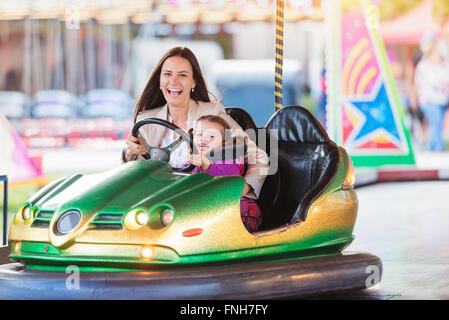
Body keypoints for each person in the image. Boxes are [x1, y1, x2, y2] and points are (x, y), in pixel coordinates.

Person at [122, 46, 269, 201]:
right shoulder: (146, 120)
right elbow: (135, 175)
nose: (173, 81)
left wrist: (244, 188)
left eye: (182, 75)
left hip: (200, 201)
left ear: (193, 82)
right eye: (167, 74)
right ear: (159, 80)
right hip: (157, 201)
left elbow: (258, 156)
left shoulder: (211, 113)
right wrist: (130, 153)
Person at [188, 115, 262, 232]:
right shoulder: (191, 161)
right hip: (207, 207)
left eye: (211, 136)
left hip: (235, 210)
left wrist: (207, 166)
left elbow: (231, 179)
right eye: (199, 134)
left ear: (223, 143)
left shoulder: (226, 159)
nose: (203, 139)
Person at [414, 33, 449, 151]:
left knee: (437, 122)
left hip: (441, 101)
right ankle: (436, 146)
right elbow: (417, 84)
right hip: (428, 100)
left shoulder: (445, 67)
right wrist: (416, 99)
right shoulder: (423, 66)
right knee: (436, 120)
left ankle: (433, 145)